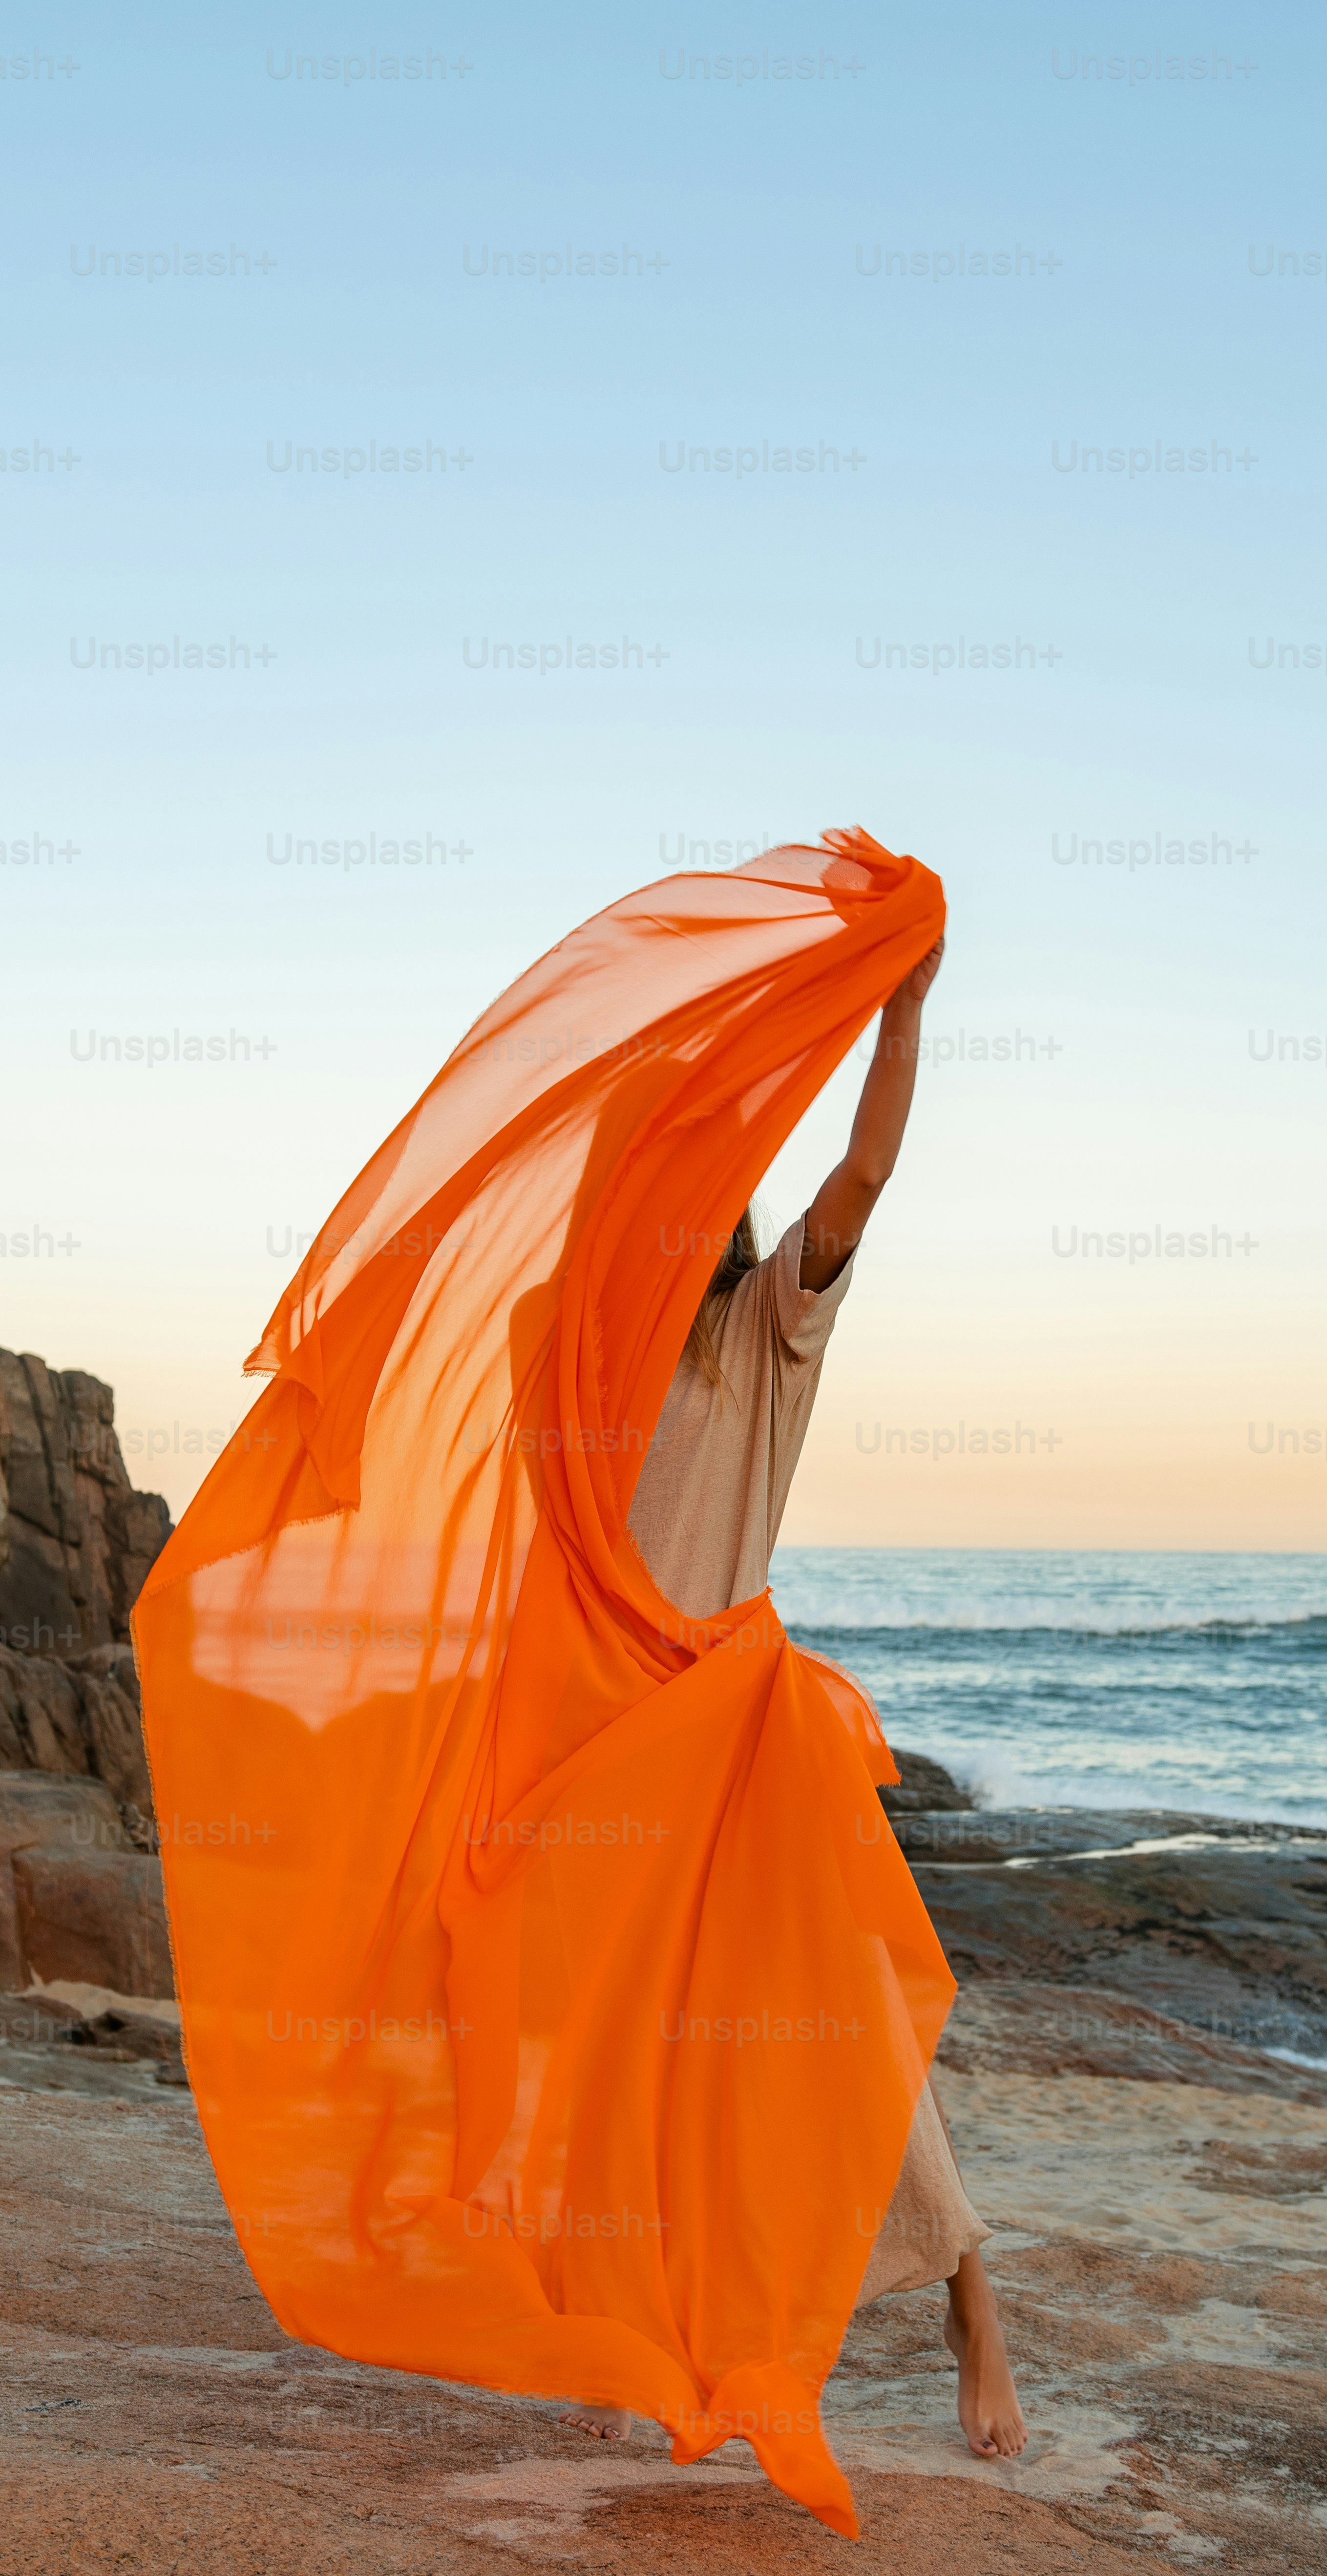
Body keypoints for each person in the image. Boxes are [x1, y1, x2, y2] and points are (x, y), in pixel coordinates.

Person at [558, 933, 1027, 2462]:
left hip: (747, 1738)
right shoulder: (588, 1374)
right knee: (648, 2048)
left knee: (848, 2023)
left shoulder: (768, 1323)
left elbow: (867, 1174)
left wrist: (900, 1014)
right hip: (626, 1745)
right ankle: (678, 2330)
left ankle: (974, 2308)